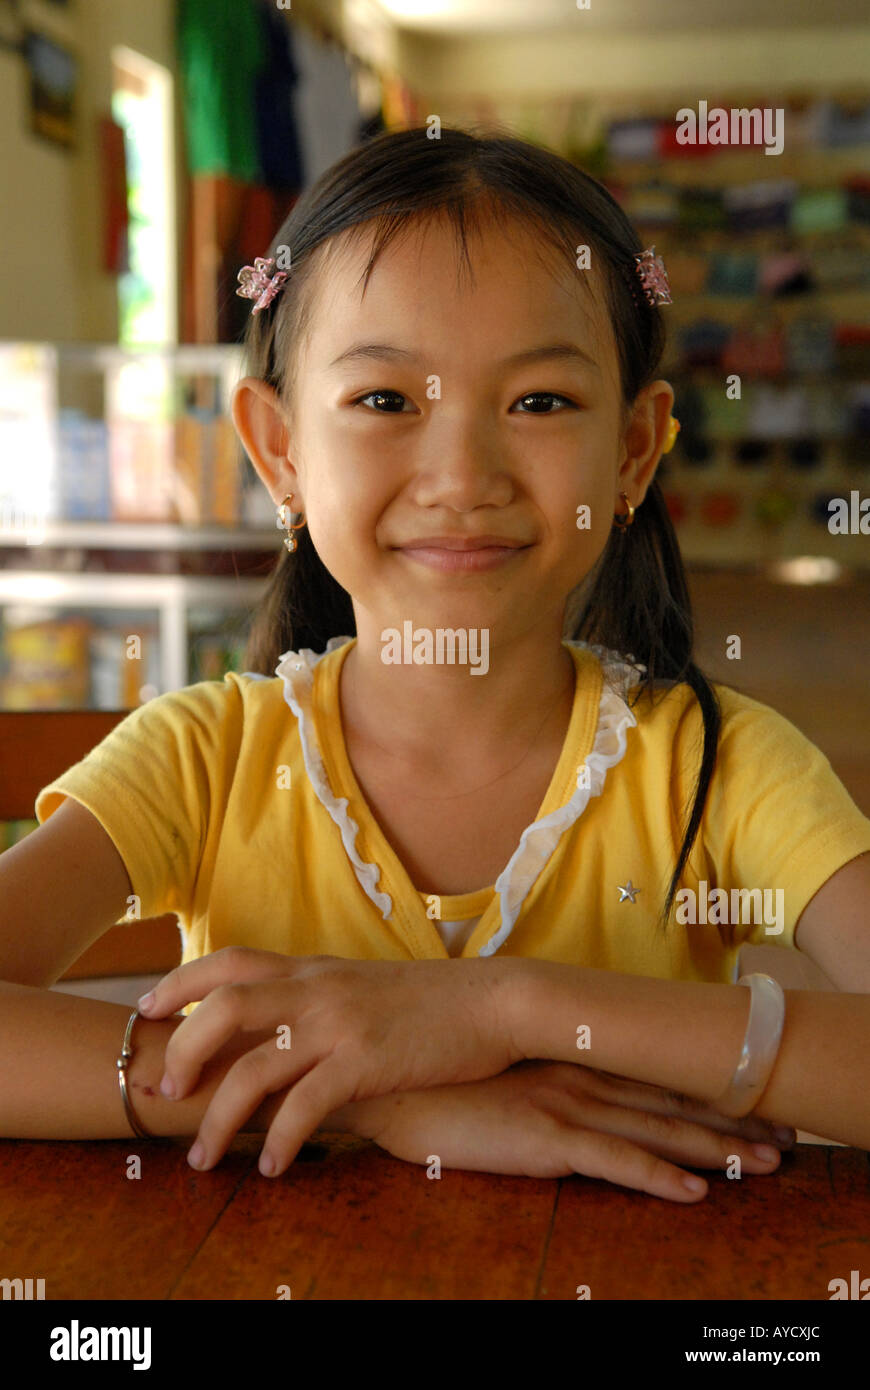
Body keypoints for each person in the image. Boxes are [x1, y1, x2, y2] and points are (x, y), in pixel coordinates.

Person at [2, 127, 869, 1206]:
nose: (461, 476)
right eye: (386, 401)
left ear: (635, 451)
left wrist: (499, 1010)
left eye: (540, 402)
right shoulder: (203, 759)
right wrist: (365, 1095)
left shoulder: (719, 765)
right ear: (279, 451)